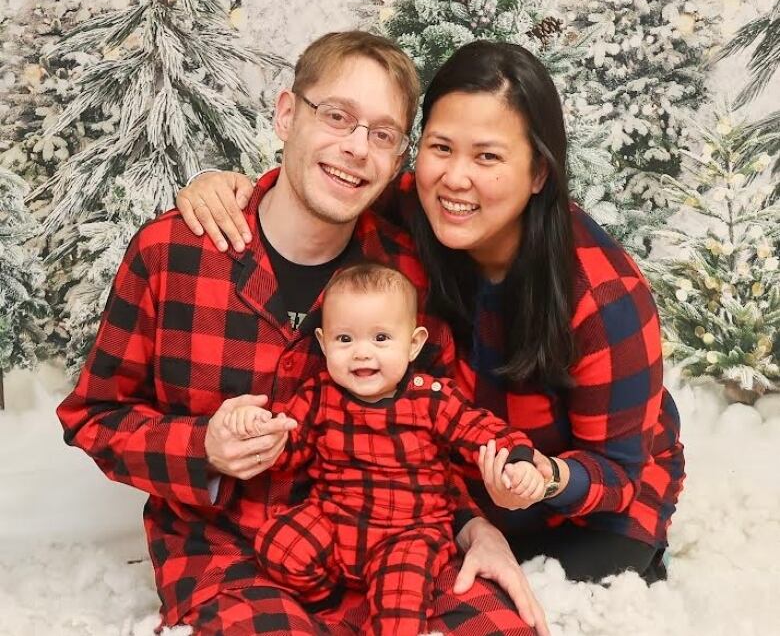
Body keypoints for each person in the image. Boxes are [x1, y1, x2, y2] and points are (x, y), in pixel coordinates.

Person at [57, 31, 548, 636]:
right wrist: (202, 450)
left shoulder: (407, 275)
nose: (355, 149)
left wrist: (477, 526)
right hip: (230, 551)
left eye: (383, 134)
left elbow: (431, 422)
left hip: (393, 541)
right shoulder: (172, 254)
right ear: (287, 114)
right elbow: (94, 414)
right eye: (337, 116)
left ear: (398, 159)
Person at [178, 40, 686, 586]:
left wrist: (547, 476)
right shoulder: (414, 208)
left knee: (517, 596)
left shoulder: (604, 298)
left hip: (583, 505)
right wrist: (230, 187)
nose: (455, 179)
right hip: (454, 491)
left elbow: (617, 472)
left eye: (488, 156)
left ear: (539, 171)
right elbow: (328, 182)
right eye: (441, 148)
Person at [224, 262, 548, 635]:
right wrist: (259, 428)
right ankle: (328, 605)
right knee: (280, 545)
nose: (362, 354)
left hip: (410, 532)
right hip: (335, 515)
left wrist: (516, 460)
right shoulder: (318, 395)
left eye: (380, 339)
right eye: (345, 339)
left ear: (413, 344)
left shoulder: (431, 398)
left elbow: (484, 430)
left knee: (401, 604)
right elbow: (287, 449)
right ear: (323, 342)